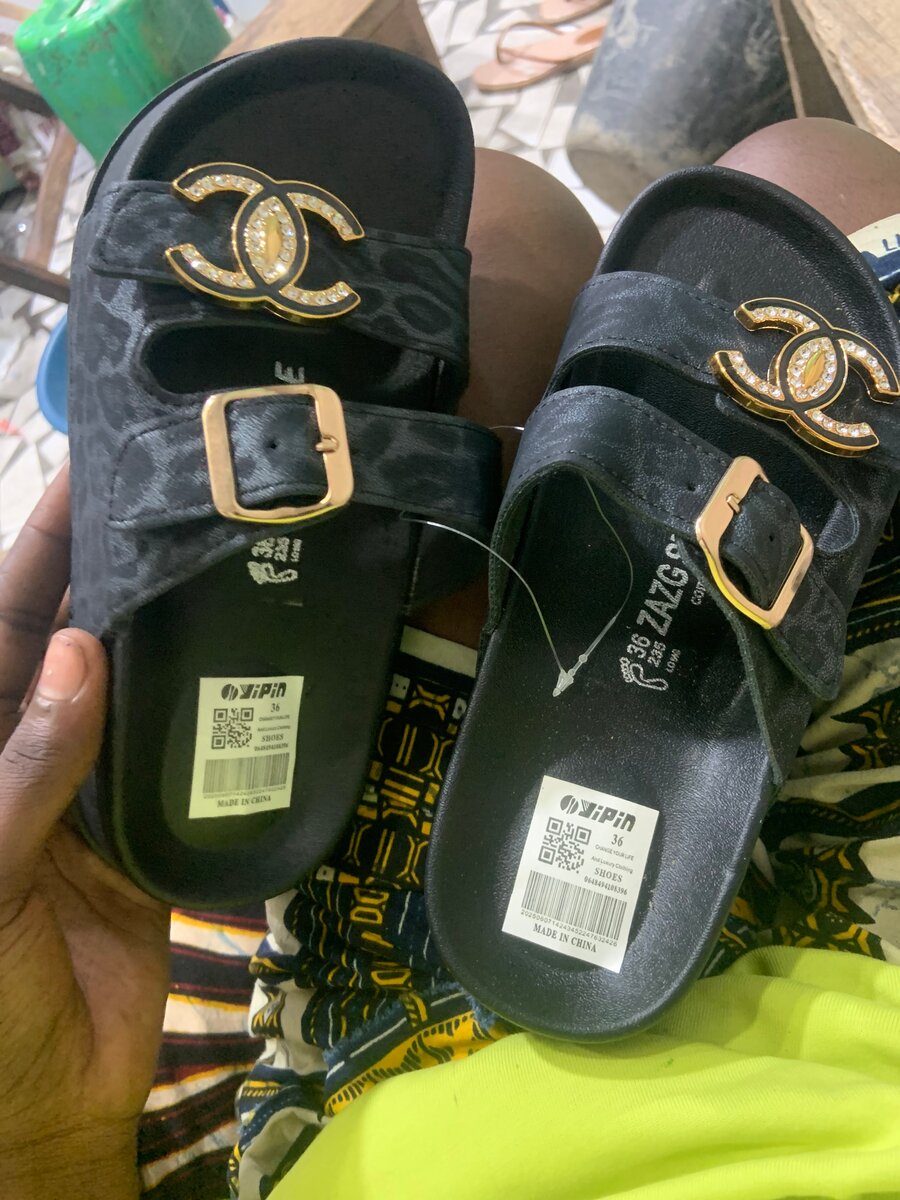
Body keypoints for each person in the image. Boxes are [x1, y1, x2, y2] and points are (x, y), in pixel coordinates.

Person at [2, 120, 900, 1200]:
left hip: (384, 1104)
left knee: (509, 229)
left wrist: (48, 1143)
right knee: (806, 183)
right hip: (862, 1038)